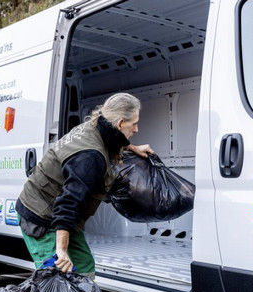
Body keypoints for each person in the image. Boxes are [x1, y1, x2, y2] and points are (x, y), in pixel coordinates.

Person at [16, 93, 154, 277]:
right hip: (40, 215)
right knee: (55, 274)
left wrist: (132, 147)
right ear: (121, 123)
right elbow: (67, 205)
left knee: (84, 265)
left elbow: (110, 137)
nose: (136, 128)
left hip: (57, 212)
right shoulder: (90, 158)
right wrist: (61, 251)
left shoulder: (96, 124)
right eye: (134, 123)